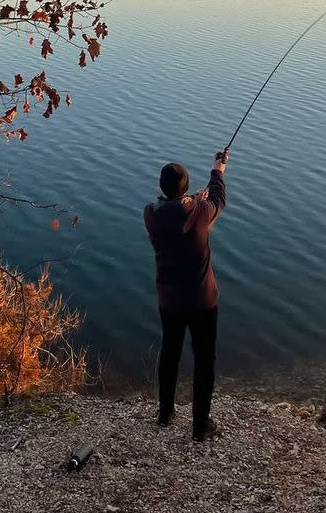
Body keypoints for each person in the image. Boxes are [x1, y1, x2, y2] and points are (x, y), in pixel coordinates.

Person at [143, 149, 228, 441]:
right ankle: (199, 427)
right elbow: (218, 201)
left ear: (162, 188)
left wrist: (192, 201)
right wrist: (217, 170)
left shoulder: (151, 215)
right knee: (204, 362)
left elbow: (179, 210)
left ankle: (165, 413)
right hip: (203, 301)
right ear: (187, 188)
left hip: (170, 301)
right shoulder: (201, 212)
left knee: (170, 354)